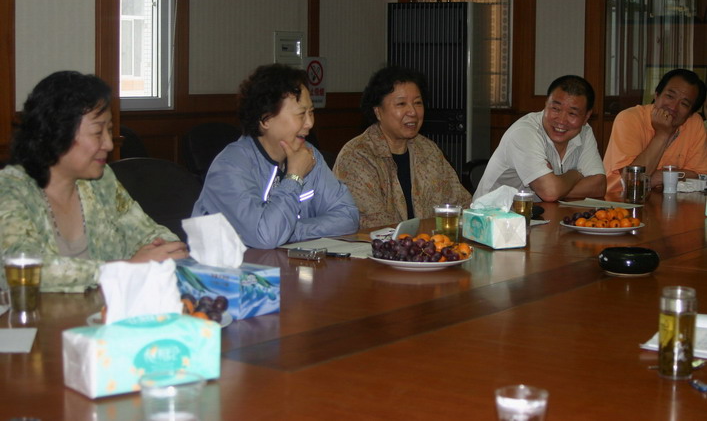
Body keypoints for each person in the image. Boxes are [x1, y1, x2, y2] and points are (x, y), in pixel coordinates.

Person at [0, 71, 188, 293]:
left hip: (103, 310)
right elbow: (21, 268)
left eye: (109, 131)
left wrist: (167, 248)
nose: (109, 144)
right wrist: (125, 269)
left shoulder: (101, 180)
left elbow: (147, 232)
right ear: (57, 133)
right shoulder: (11, 189)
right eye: (98, 132)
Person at [192, 64, 359, 248]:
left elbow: (348, 216)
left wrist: (289, 231)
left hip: (284, 262)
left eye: (311, 112)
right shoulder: (230, 166)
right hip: (224, 265)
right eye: (301, 114)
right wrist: (294, 177)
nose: (310, 123)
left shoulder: (309, 154)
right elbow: (267, 236)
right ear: (266, 119)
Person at [333, 66, 472, 230]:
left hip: (429, 243)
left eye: (418, 103)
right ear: (378, 112)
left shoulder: (428, 150)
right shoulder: (357, 156)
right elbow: (374, 224)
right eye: (401, 104)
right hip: (375, 245)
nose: (412, 112)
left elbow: (461, 204)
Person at [474, 75, 606, 202]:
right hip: (492, 214)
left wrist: (556, 187)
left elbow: (599, 186)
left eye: (572, 113)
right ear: (545, 104)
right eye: (555, 108)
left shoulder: (584, 131)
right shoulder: (524, 132)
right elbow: (550, 192)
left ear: (586, 117)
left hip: (539, 213)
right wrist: (575, 174)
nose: (561, 120)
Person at [603, 68, 707, 192]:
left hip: (669, 198)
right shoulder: (629, 118)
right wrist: (662, 135)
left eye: (684, 104)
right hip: (618, 198)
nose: (673, 107)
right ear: (656, 95)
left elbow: (699, 176)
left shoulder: (695, 123)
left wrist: (661, 176)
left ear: (690, 113)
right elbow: (632, 180)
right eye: (670, 96)